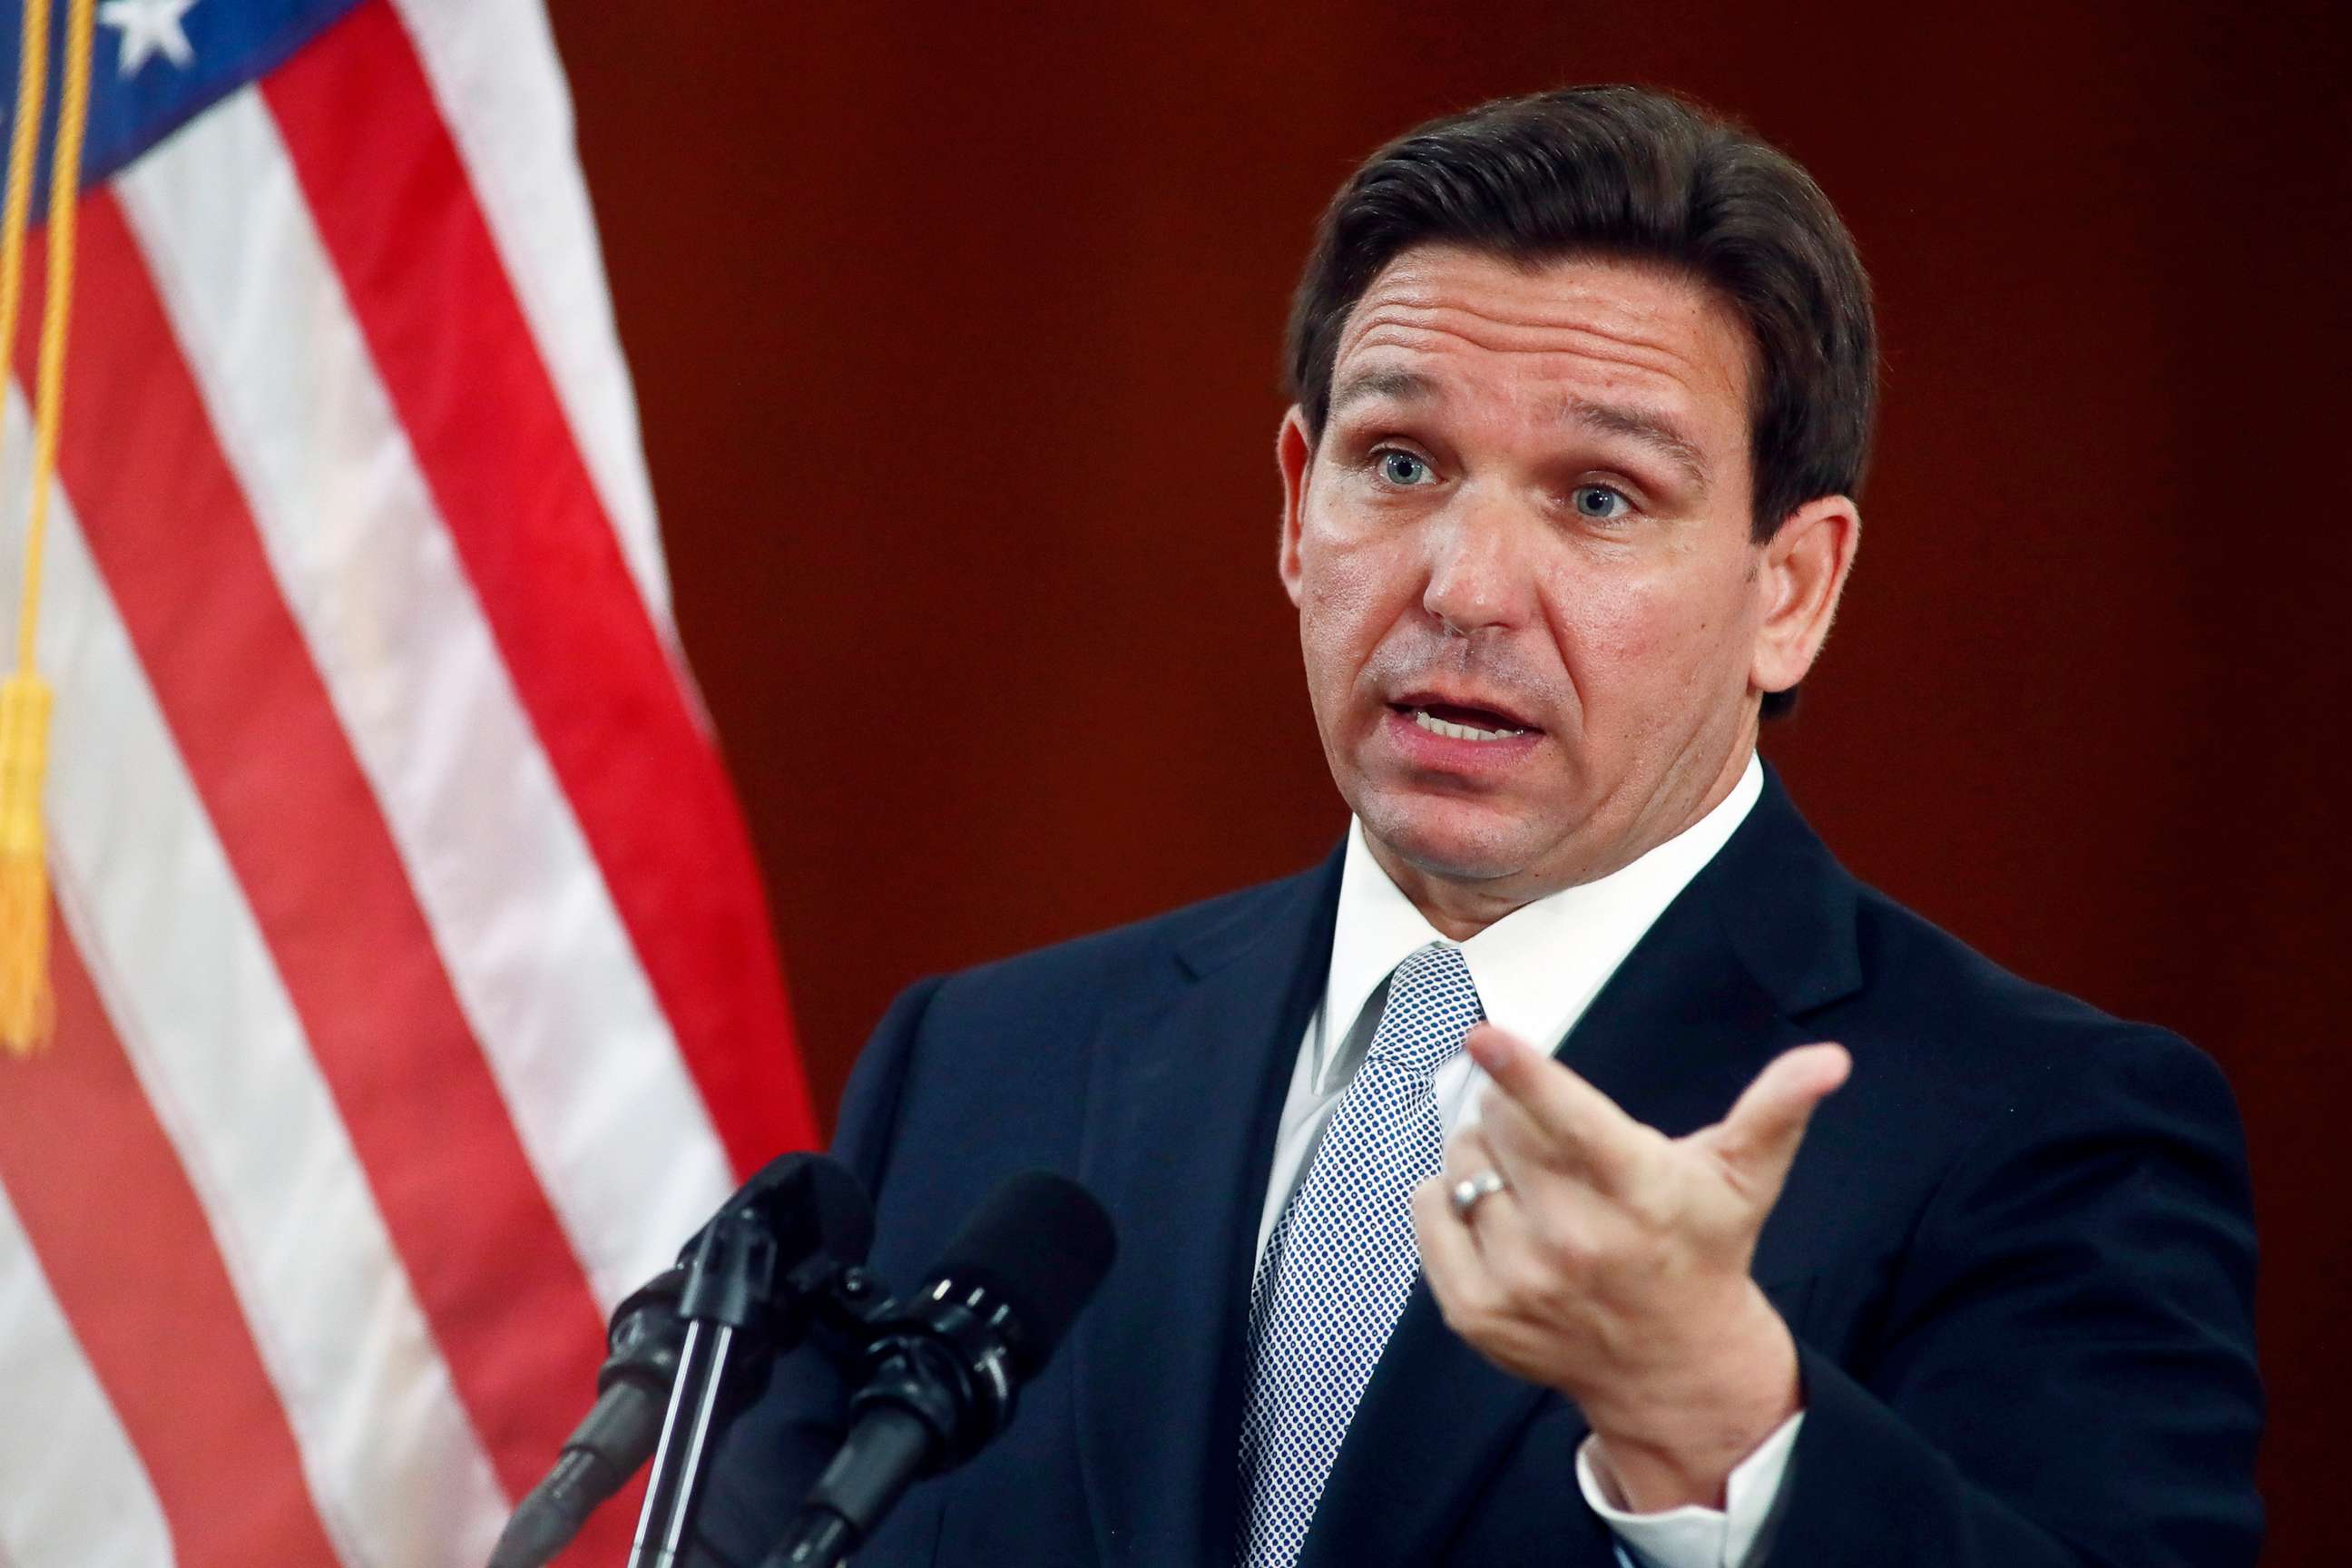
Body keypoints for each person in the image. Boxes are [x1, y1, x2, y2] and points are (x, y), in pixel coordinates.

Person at [692, 84, 2261, 1567]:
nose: (1462, 585)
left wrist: (1711, 1415)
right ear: (1299, 506)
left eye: (1599, 499)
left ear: (1789, 590)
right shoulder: (985, 1062)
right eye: (1401, 463)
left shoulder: (2042, 1133)